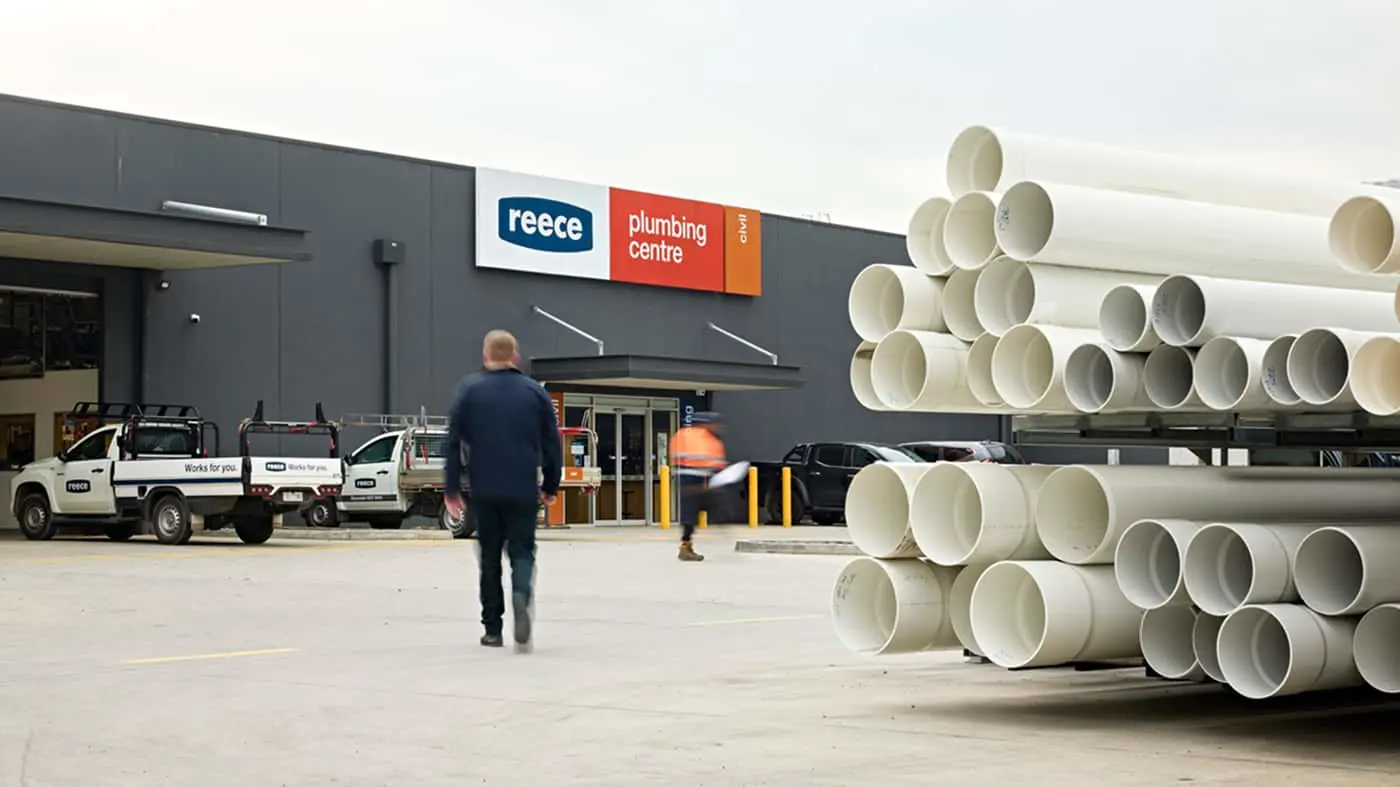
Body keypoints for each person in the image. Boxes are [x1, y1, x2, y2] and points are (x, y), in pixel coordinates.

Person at [444, 329, 562, 652]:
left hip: (483, 489)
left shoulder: (470, 391)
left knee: (490, 558)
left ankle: (492, 630)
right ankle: (521, 593)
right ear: (515, 357)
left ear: (486, 356)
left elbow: (453, 441)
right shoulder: (535, 392)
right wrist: (551, 484)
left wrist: (452, 487)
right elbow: (553, 442)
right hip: (523, 487)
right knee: (523, 551)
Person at [669, 411, 727, 562]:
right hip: (699, 483)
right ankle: (687, 547)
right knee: (699, 513)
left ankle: (686, 545)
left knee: (690, 517)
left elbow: (676, 458)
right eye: (714, 424)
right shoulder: (708, 438)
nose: (717, 427)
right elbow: (712, 463)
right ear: (705, 423)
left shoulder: (680, 435)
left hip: (686, 482)